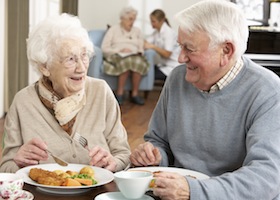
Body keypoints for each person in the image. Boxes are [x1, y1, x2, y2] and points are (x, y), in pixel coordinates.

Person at [130, 0, 280, 199]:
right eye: (180, 46)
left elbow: (266, 177)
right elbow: (158, 140)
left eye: (189, 49)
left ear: (226, 51)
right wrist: (154, 156)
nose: (180, 58)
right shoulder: (176, 78)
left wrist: (194, 191)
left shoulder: (268, 91)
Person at [0, 13, 130, 173]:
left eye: (84, 56)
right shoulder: (23, 102)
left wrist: (113, 163)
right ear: (44, 67)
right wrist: (19, 163)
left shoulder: (100, 92)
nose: (81, 68)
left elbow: (123, 155)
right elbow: (5, 168)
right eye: (70, 59)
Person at [101, 6, 149, 106]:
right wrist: (119, 50)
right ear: (122, 18)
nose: (132, 22)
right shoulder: (113, 30)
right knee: (127, 61)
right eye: (130, 19)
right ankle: (120, 93)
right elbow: (104, 48)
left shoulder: (137, 31)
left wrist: (137, 51)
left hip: (134, 55)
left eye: (134, 19)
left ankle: (135, 94)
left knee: (137, 61)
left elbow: (141, 47)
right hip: (117, 55)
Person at [144, 9, 181, 81]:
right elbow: (146, 42)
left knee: (147, 74)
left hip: (172, 66)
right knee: (145, 69)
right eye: (151, 21)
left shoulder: (168, 33)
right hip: (163, 65)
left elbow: (167, 54)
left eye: (153, 21)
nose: (152, 24)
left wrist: (153, 46)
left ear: (161, 21)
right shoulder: (157, 32)